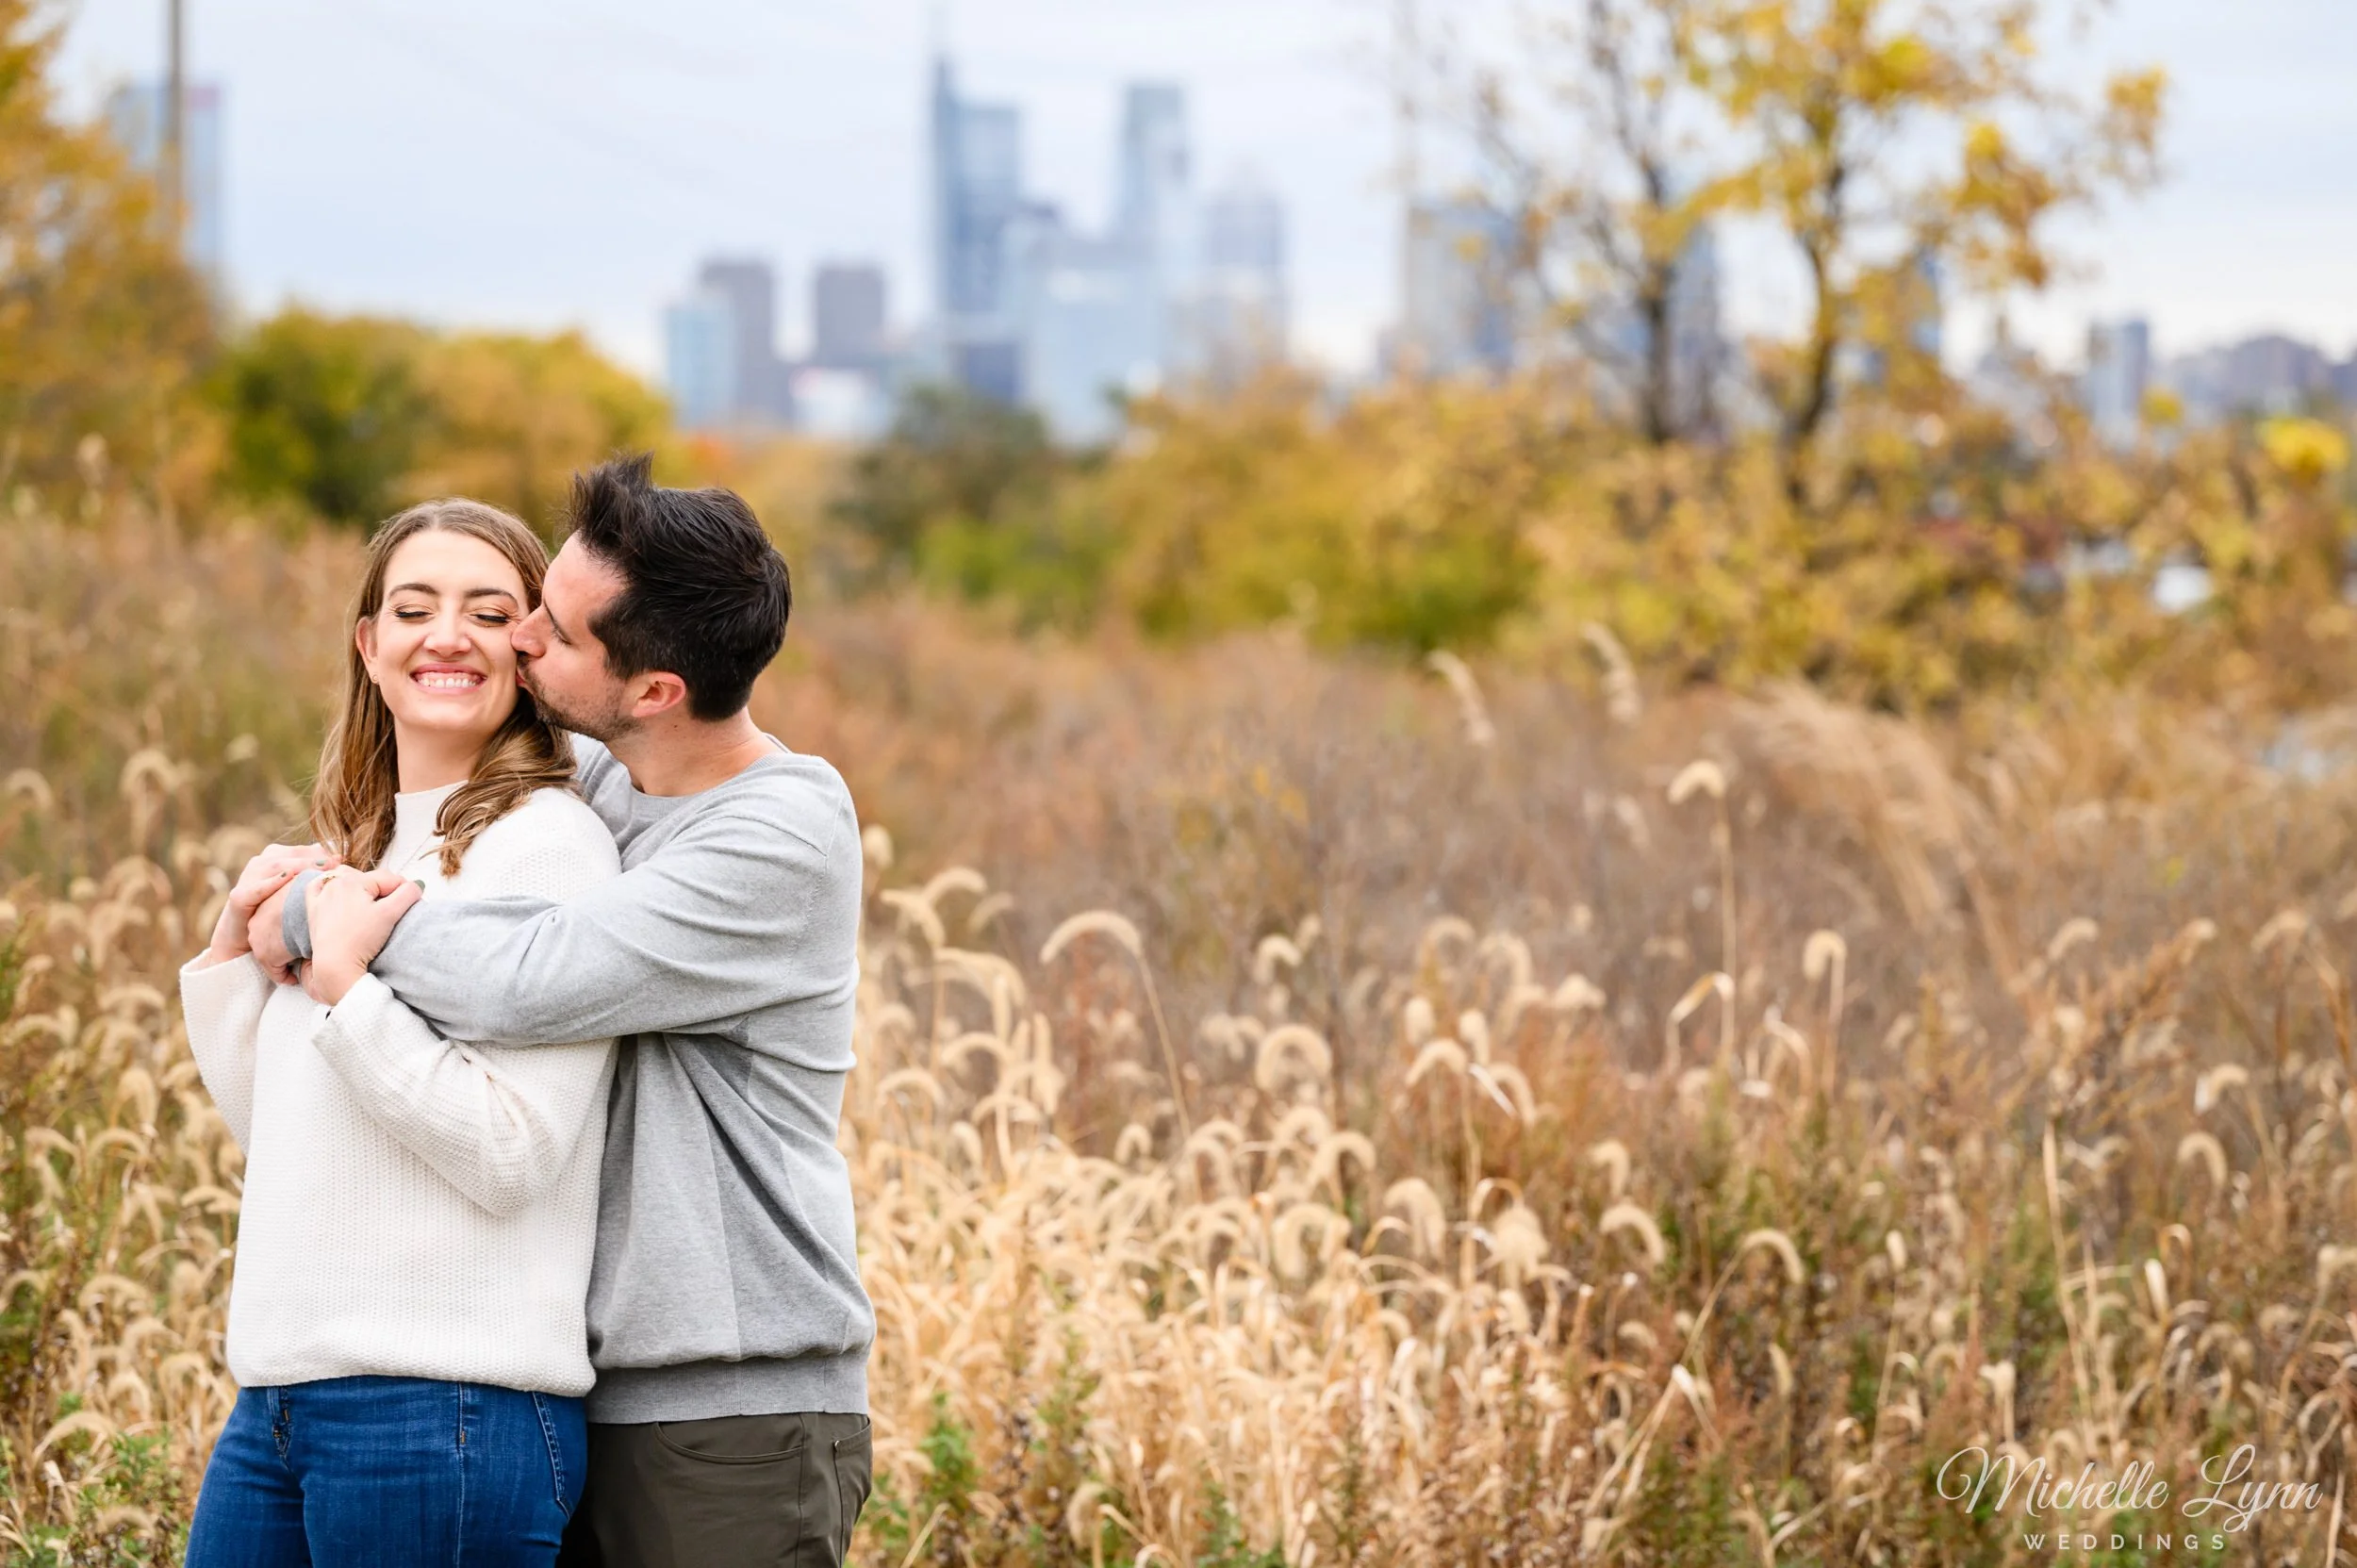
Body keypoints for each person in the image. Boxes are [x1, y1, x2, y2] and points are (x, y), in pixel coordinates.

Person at [251, 453, 874, 1568]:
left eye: (555, 628)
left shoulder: (778, 835)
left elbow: (530, 976)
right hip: (581, 1383)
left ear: (652, 691)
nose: (521, 636)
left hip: (728, 1410)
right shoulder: (605, 778)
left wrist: (320, 917)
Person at [178, 500, 621, 1564]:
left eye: (487, 610)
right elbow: (291, 1137)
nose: (447, 636)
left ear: (531, 647)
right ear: (369, 644)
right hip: (282, 1398)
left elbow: (514, 1152)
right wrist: (232, 951)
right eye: (413, 608)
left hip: (447, 1404)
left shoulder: (547, 847)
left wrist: (344, 988)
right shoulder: (358, 851)